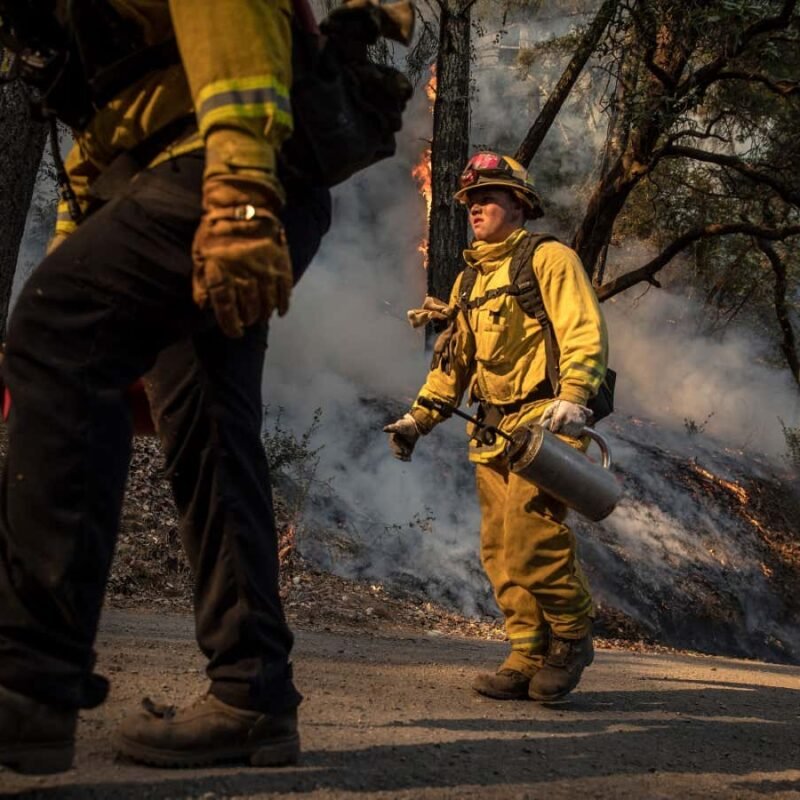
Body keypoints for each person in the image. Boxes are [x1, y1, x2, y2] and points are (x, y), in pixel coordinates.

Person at [0, 0, 331, 774]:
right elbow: (100, 137)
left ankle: (27, 684)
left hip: (225, 159)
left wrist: (240, 189)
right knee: (207, 429)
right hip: (211, 168)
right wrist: (72, 260)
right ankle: (251, 694)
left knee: (58, 327)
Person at [384, 152, 609, 703]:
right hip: (491, 433)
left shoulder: (549, 259)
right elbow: (453, 364)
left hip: (545, 428)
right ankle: (525, 654)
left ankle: (572, 636)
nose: (475, 207)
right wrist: (418, 419)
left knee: (532, 541)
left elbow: (582, 329)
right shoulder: (469, 281)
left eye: (488, 197)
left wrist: (575, 396)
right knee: (500, 552)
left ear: (520, 204)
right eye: (470, 200)